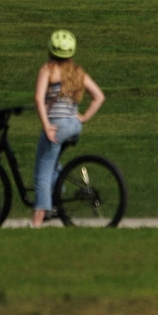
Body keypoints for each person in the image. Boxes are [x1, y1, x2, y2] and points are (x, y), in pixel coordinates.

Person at [32, 30, 105, 228]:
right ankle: (57, 193)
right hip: (74, 125)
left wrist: (47, 126)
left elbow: (38, 99)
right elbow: (99, 96)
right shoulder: (77, 72)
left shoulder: (48, 69)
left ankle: (38, 220)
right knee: (53, 163)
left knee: (42, 173)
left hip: (58, 126)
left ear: (50, 49)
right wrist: (84, 117)